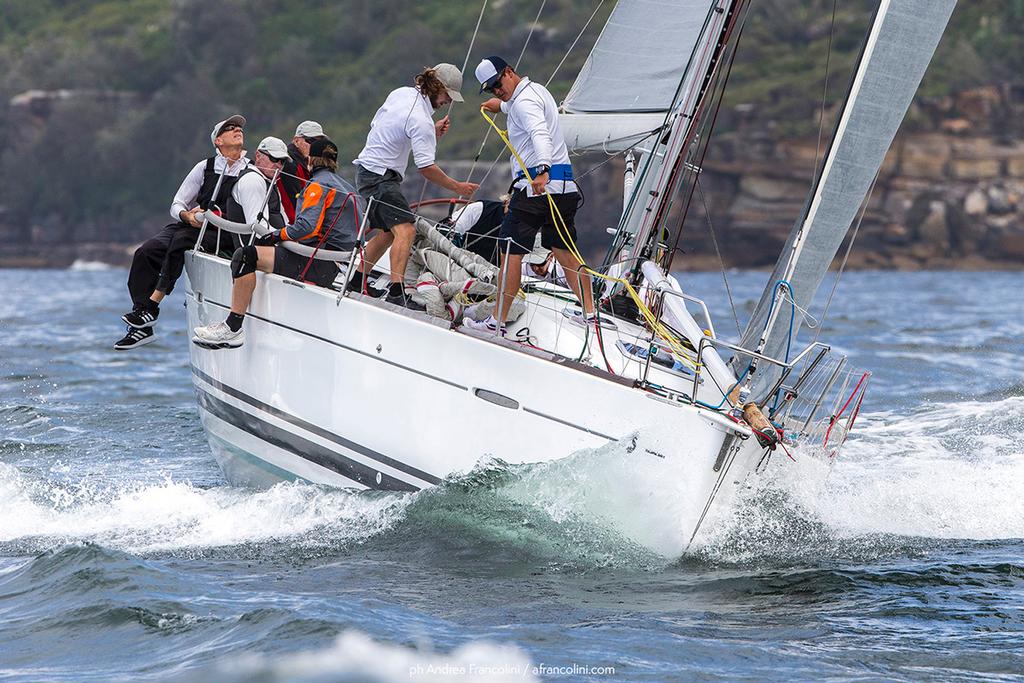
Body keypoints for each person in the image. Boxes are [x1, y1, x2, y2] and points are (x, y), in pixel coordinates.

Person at [464, 57, 597, 335]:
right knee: (564, 252)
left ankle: (495, 323)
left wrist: (542, 171)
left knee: (510, 252)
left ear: (509, 72)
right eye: (490, 89)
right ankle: (590, 315)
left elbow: (539, 133)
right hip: (564, 190)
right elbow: (521, 108)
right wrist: (500, 106)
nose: (496, 91)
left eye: (498, 84)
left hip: (537, 189)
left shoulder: (523, 103)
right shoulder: (536, 92)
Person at [192, 138, 361, 349]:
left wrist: (276, 236)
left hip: (322, 264)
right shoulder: (348, 188)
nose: (280, 166)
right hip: (340, 265)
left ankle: (232, 328)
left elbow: (306, 227)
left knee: (245, 256)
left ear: (310, 161)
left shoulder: (317, 186)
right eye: (276, 161)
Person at [114, 115, 250, 350]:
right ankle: (142, 322)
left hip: (224, 231)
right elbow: (177, 204)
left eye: (238, 127)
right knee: (145, 252)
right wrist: (187, 216)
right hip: (192, 224)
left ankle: (151, 307)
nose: (237, 129)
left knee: (180, 241)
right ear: (218, 141)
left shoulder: (250, 171)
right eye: (230, 128)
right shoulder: (205, 167)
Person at [352, 63, 479, 310]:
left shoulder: (401, 93)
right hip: (379, 177)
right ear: (436, 87)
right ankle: (397, 293)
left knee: (389, 231)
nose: (446, 102)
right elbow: (426, 168)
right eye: (446, 96)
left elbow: (388, 126)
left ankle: (357, 280)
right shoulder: (420, 120)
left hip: (368, 170)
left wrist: (430, 132)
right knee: (407, 231)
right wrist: (458, 187)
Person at [277, 120, 326, 222]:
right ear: (296, 141)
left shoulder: (305, 162)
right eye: (311, 141)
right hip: (292, 224)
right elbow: (296, 202)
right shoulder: (289, 163)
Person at [446, 194, 509, 264]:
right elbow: (449, 230)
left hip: (493, 273)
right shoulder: (480, 209)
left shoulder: (522, 232)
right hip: (456, 264)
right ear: (507, 201)